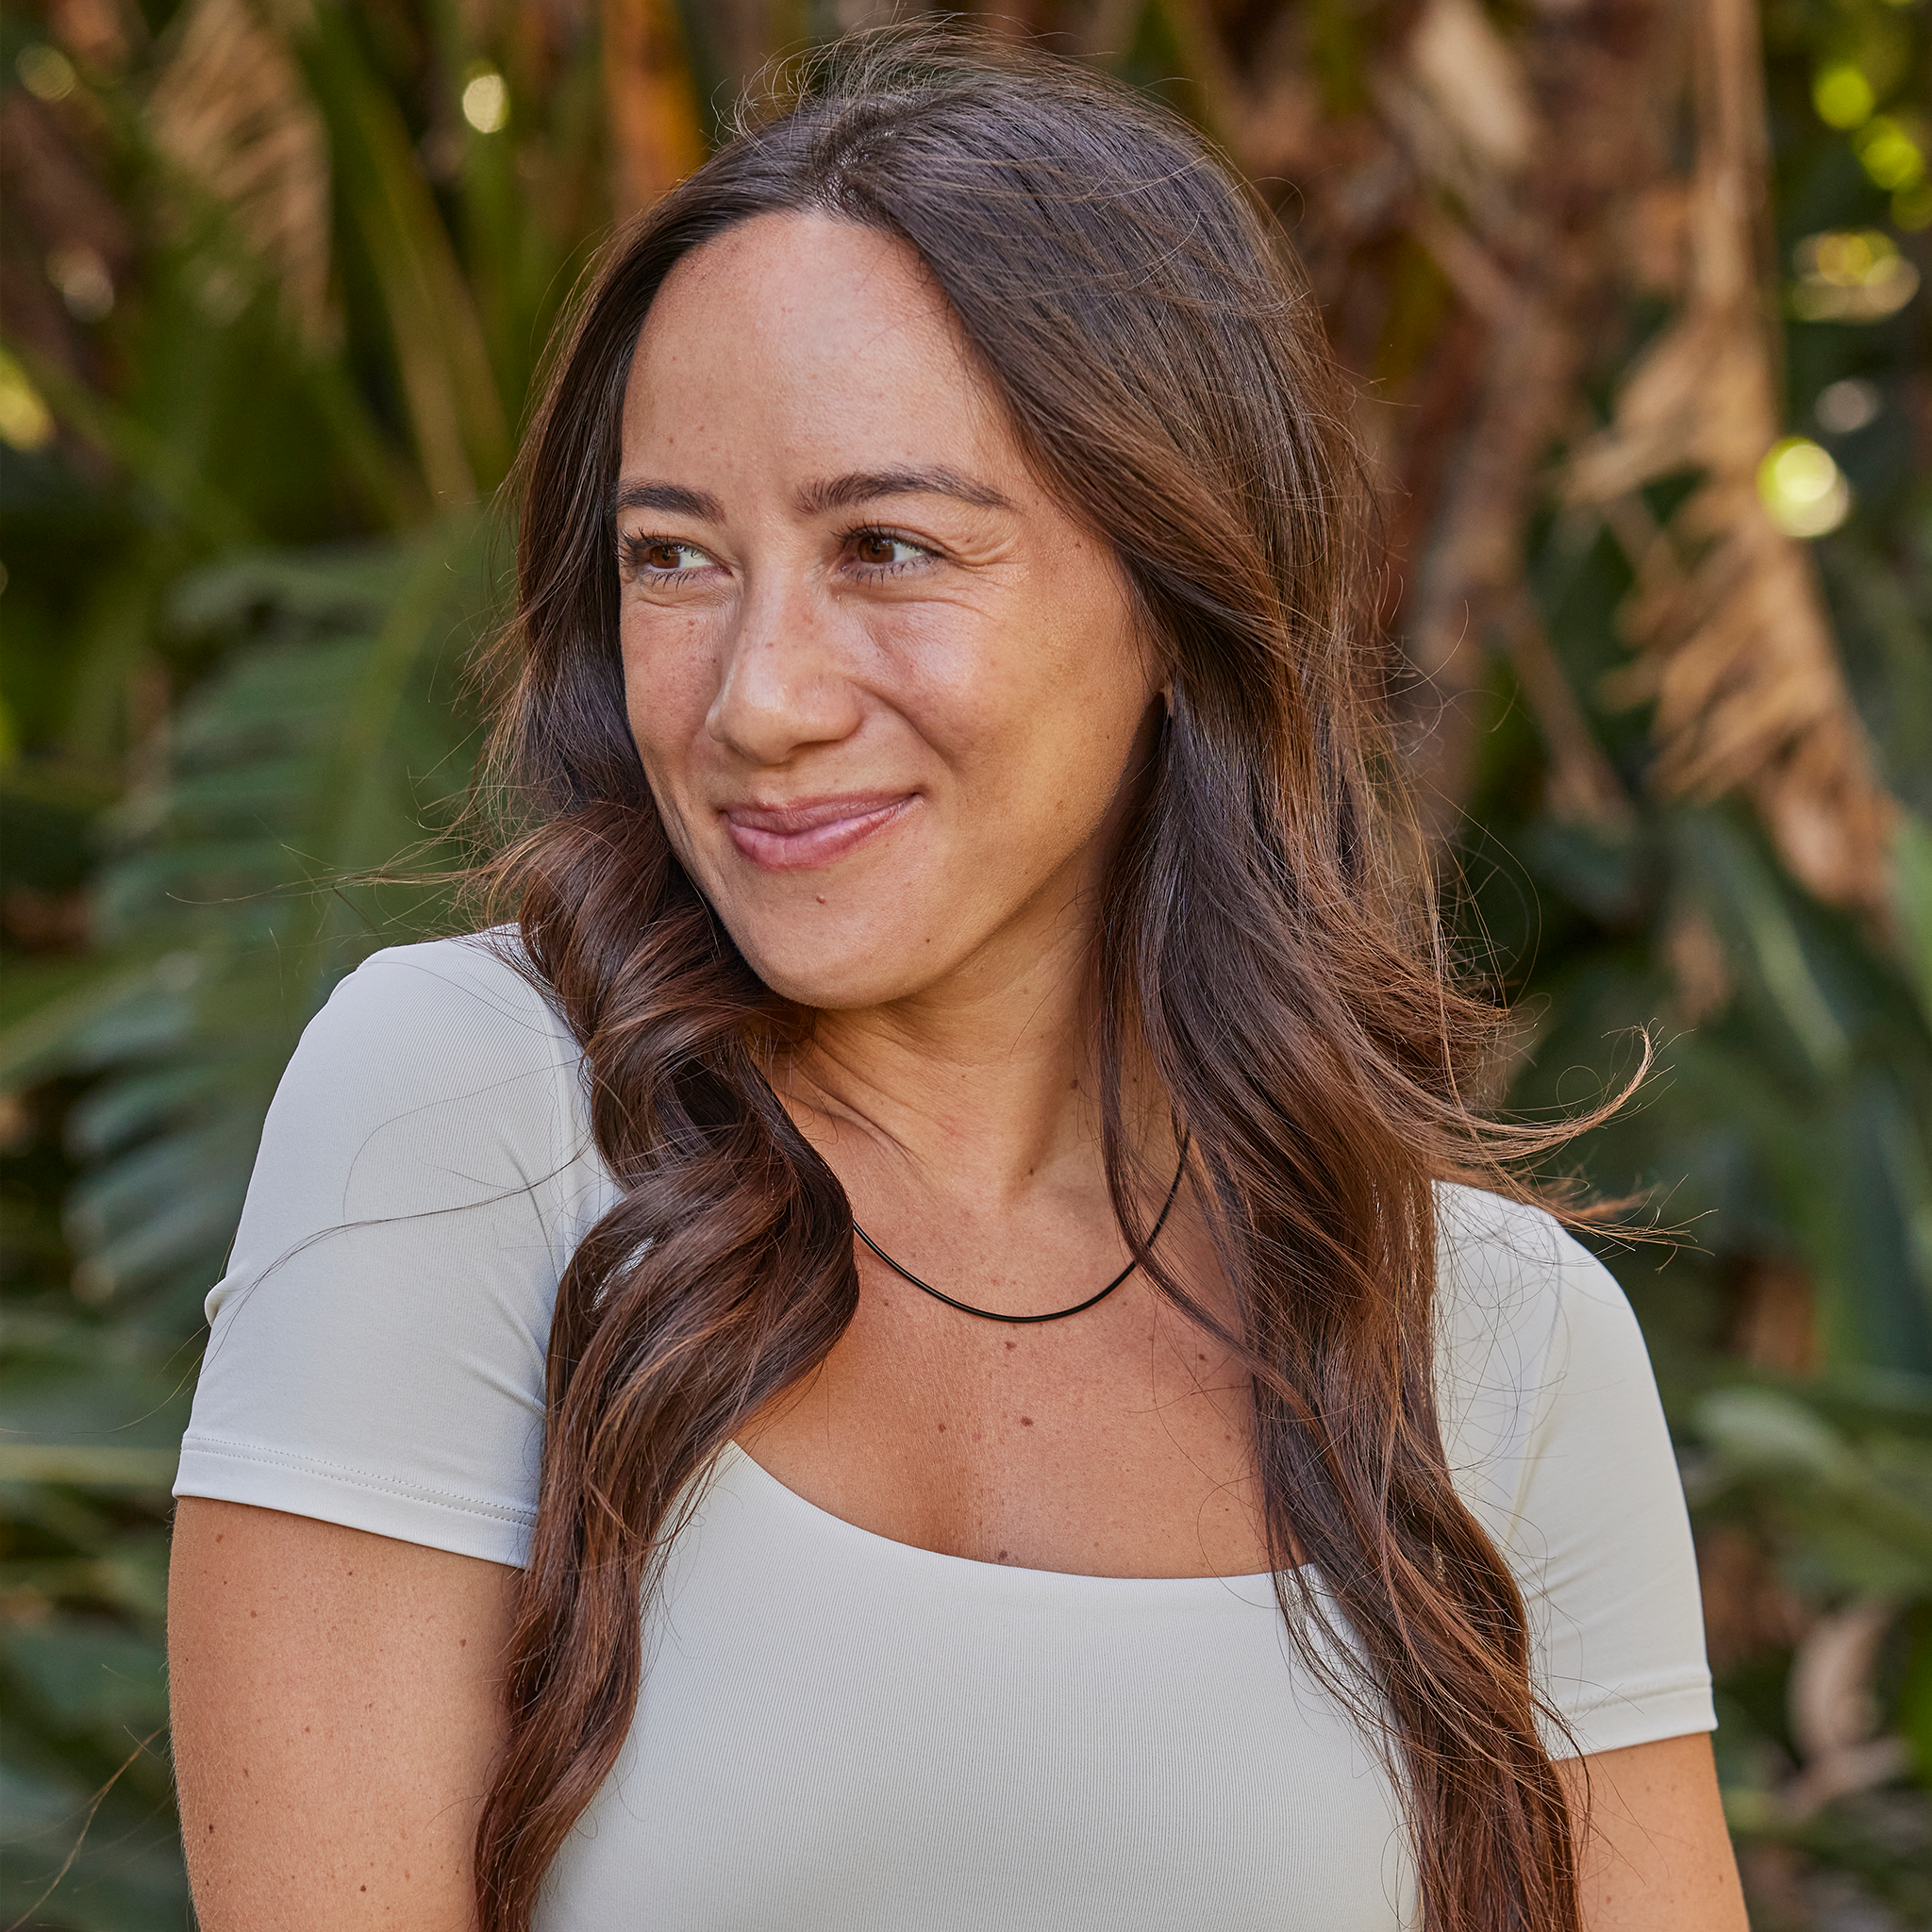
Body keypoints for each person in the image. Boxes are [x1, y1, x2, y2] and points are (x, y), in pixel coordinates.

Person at [165, 31, 1746, 1932]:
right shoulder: (465, 1117)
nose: (758, 698)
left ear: (1172, 593)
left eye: (888, 546)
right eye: (674, 558)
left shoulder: (1485, 1342)